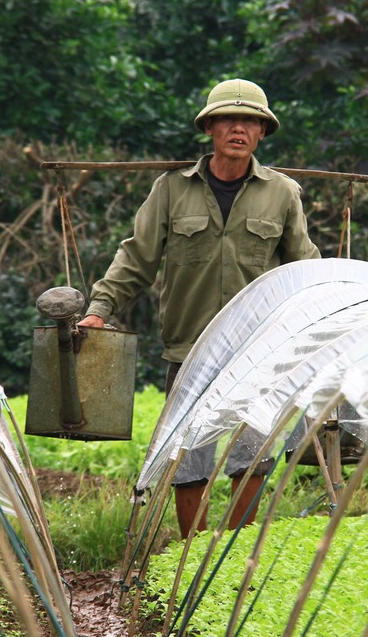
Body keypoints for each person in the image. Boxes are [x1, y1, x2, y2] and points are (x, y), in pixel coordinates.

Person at [77, 78, 320, 538]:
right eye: (229, 119)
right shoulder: (171, 190)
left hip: (260, 347)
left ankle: (229, 553)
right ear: (210, 127)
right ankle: (193, 550)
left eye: (250, 121)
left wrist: (330, 312)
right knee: (190, 455)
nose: (239, 129)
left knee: (254, 452)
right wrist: (100, 308)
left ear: (263, 133)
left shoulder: (282, 193)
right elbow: (136, 258)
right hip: (191, 347)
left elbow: (304, 265)